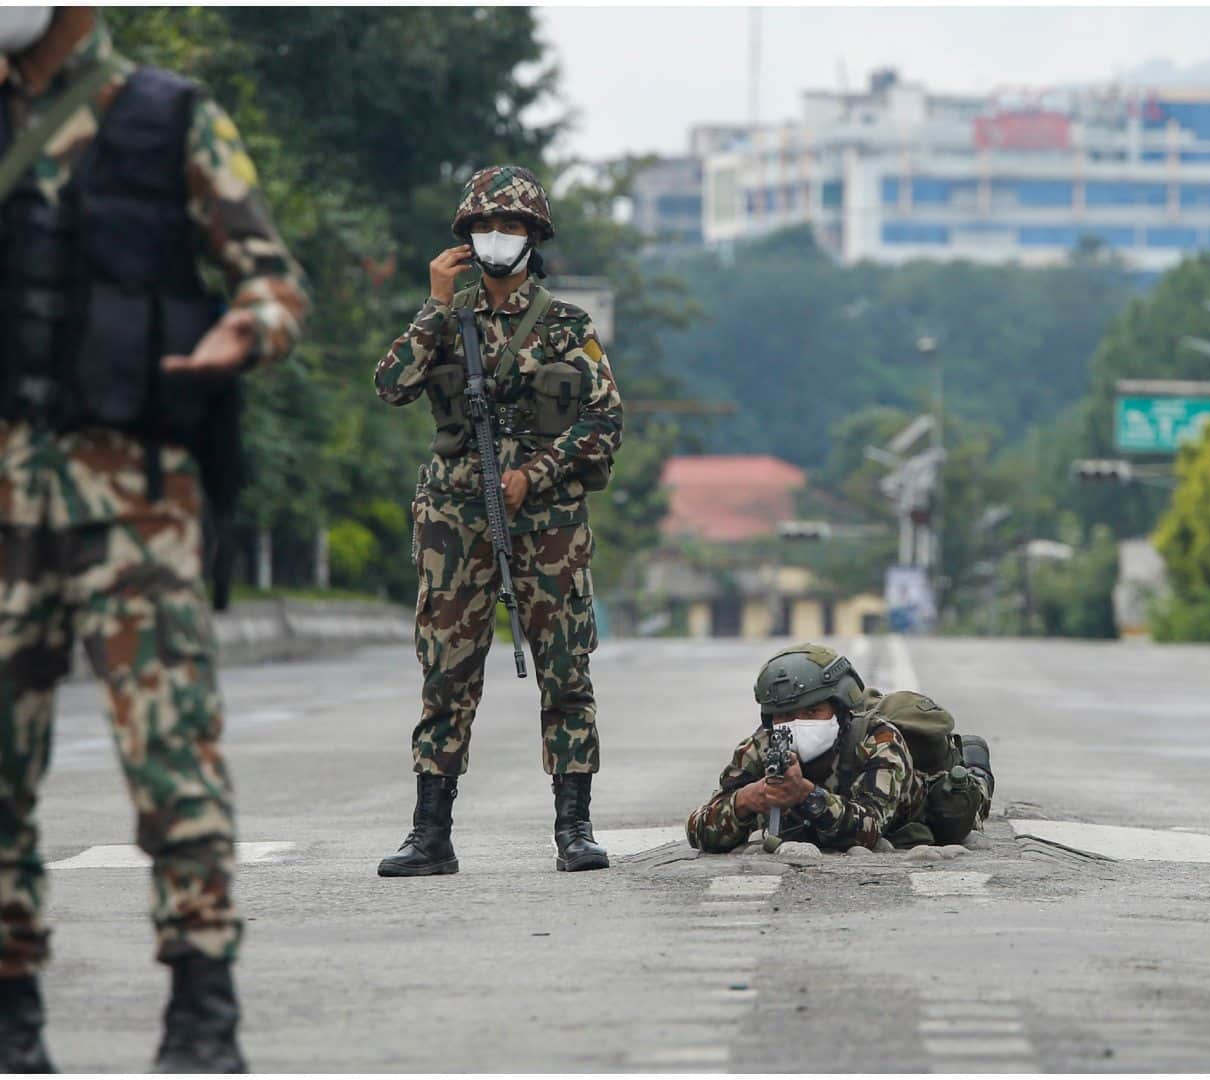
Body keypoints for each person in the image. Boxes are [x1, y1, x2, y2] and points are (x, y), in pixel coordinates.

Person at [0, 6, 308, 1070]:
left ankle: (202, 1008)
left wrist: (246, 331)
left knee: (170, 760)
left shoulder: (171, 118)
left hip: (135, 501)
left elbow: (273, 279)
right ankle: (6, 1010)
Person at [372, 165, 622, 877]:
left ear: (534, 236)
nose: (497, 238)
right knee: (446, 675)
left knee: (565, 672)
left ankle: (574, 827)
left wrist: (532, 474)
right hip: (455, 525)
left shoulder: (569, 325)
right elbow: (391, 386)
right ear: (464, 238)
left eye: (511, 226)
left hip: (547, 523)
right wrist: (433, 304)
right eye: (484, 227)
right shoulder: (445, 318)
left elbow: (605, 420)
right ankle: (430, 834)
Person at [686, 644, 994, 854]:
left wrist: (806, 797)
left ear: (841, 708)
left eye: (812, 712)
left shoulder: (879, 741)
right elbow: (699, 829)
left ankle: (975, 765)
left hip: (910, 809)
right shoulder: (761, 747)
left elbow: (870, 829)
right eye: (784, 716)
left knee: (957, 808)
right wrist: (747, 799)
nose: (795, 724)